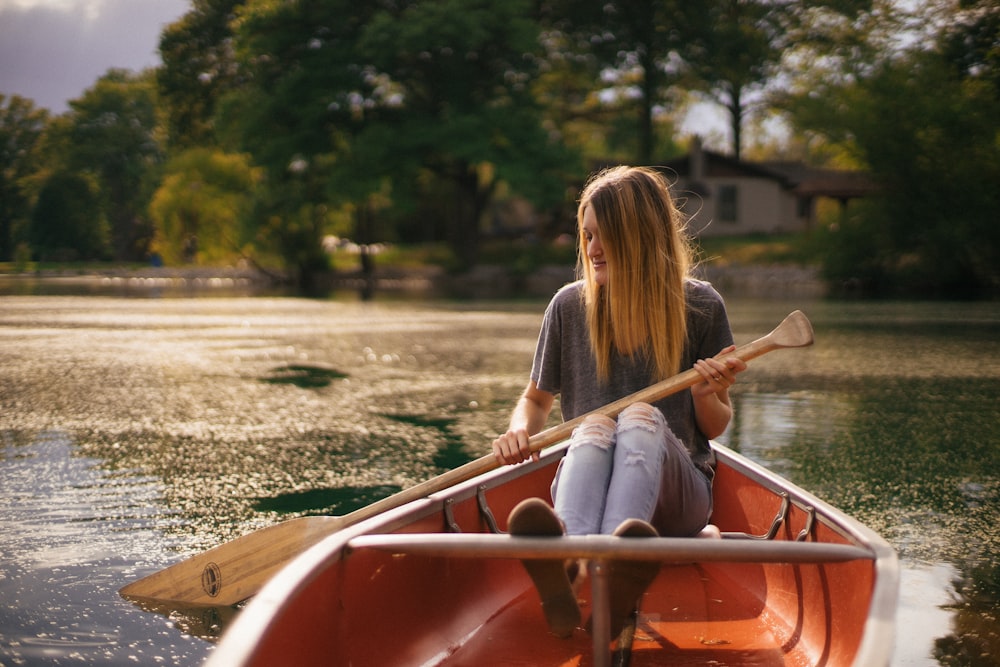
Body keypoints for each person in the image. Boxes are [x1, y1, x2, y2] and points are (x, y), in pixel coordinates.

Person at [491, 165, 746, 637]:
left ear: (642, 237)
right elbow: (535, 400)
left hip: (679, 501)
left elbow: (712, 430)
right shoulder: (568, 306)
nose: (592, 249)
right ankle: (569, 564)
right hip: (592, 489)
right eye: (586, 235)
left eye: (606, 236)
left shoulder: (701, 306)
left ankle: (600, 566)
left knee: (640, 416)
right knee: (591, 427)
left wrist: (709, 392)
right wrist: (519, 430)